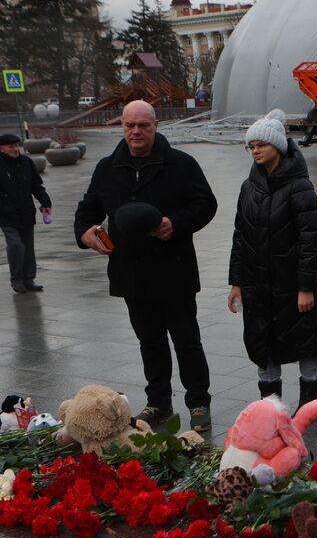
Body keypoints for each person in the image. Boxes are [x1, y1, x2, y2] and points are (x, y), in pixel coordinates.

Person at [74, 100, 219, 431]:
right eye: (129, 125)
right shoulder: (108, 167)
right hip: (132, 273)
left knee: (186, 340)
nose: (136, 131)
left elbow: (206, 204)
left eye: (144, 125)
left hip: (174, 270)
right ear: (122, 126)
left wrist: (175, 223)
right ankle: (158, 403)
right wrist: (84, 233)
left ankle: (198, 403)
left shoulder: (180, 164)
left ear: (155, 126)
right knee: (149, 342)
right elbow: (88, 209)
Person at [226, 109, 317, 406]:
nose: (255, 150)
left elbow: (310, 240)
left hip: (291, 284)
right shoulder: (249, 187)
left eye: (262, 145)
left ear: (278, 147)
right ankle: (271, 409)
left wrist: (305, 287)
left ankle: (308, 408)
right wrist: (236, 282)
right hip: (257, 285)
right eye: (251, 145)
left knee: (305, 344)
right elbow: (239, 235)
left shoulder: (300, 186)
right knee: (262, 344)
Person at [0, 132, 52, 293]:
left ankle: (29, 279)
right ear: (1, 149)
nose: (16, 149)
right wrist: (2, 207)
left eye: (17, 145)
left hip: (26, 212)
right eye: (11, 146)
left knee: (28, 248)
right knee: (16, 246)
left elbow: (36, 185)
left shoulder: (26, 162)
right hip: (6, 215)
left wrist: (45, 202)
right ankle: (17, 280)